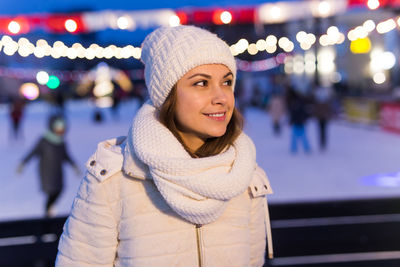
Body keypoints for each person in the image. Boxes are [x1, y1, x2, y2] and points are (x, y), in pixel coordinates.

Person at [55, 25, 273, 266]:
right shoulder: (115, 181)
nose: (221, 97)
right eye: (201, 83)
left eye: (227, 81)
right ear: (166, 95)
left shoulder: (245, 178)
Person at [17, 114, 80, 217]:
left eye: (62, 128)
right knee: (51, 190)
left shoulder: (62, 142)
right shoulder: (44, 141)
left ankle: (49, 210)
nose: (60, 131)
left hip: (58, 171)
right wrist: (23, 163)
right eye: (58, 128)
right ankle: (47, 214)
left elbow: (66, 155)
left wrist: (74, 165)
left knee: (59, 190)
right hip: (46, 171)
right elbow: (32, 152)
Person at [286, 85, 311, 153]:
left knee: (299, 136)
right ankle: (302, 148)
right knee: (300, 136)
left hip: (299, 121)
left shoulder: (295, 102)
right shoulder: (300, 101)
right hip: (299, 121)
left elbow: (295, 112)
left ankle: (303, 148)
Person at [312, 84, 334, 151]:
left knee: (322, 130)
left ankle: (322, 143)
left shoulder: (320, 101)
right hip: (322, 117)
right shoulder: (324, 101)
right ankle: (322, 143)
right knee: (323, 130)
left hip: (322, 117)